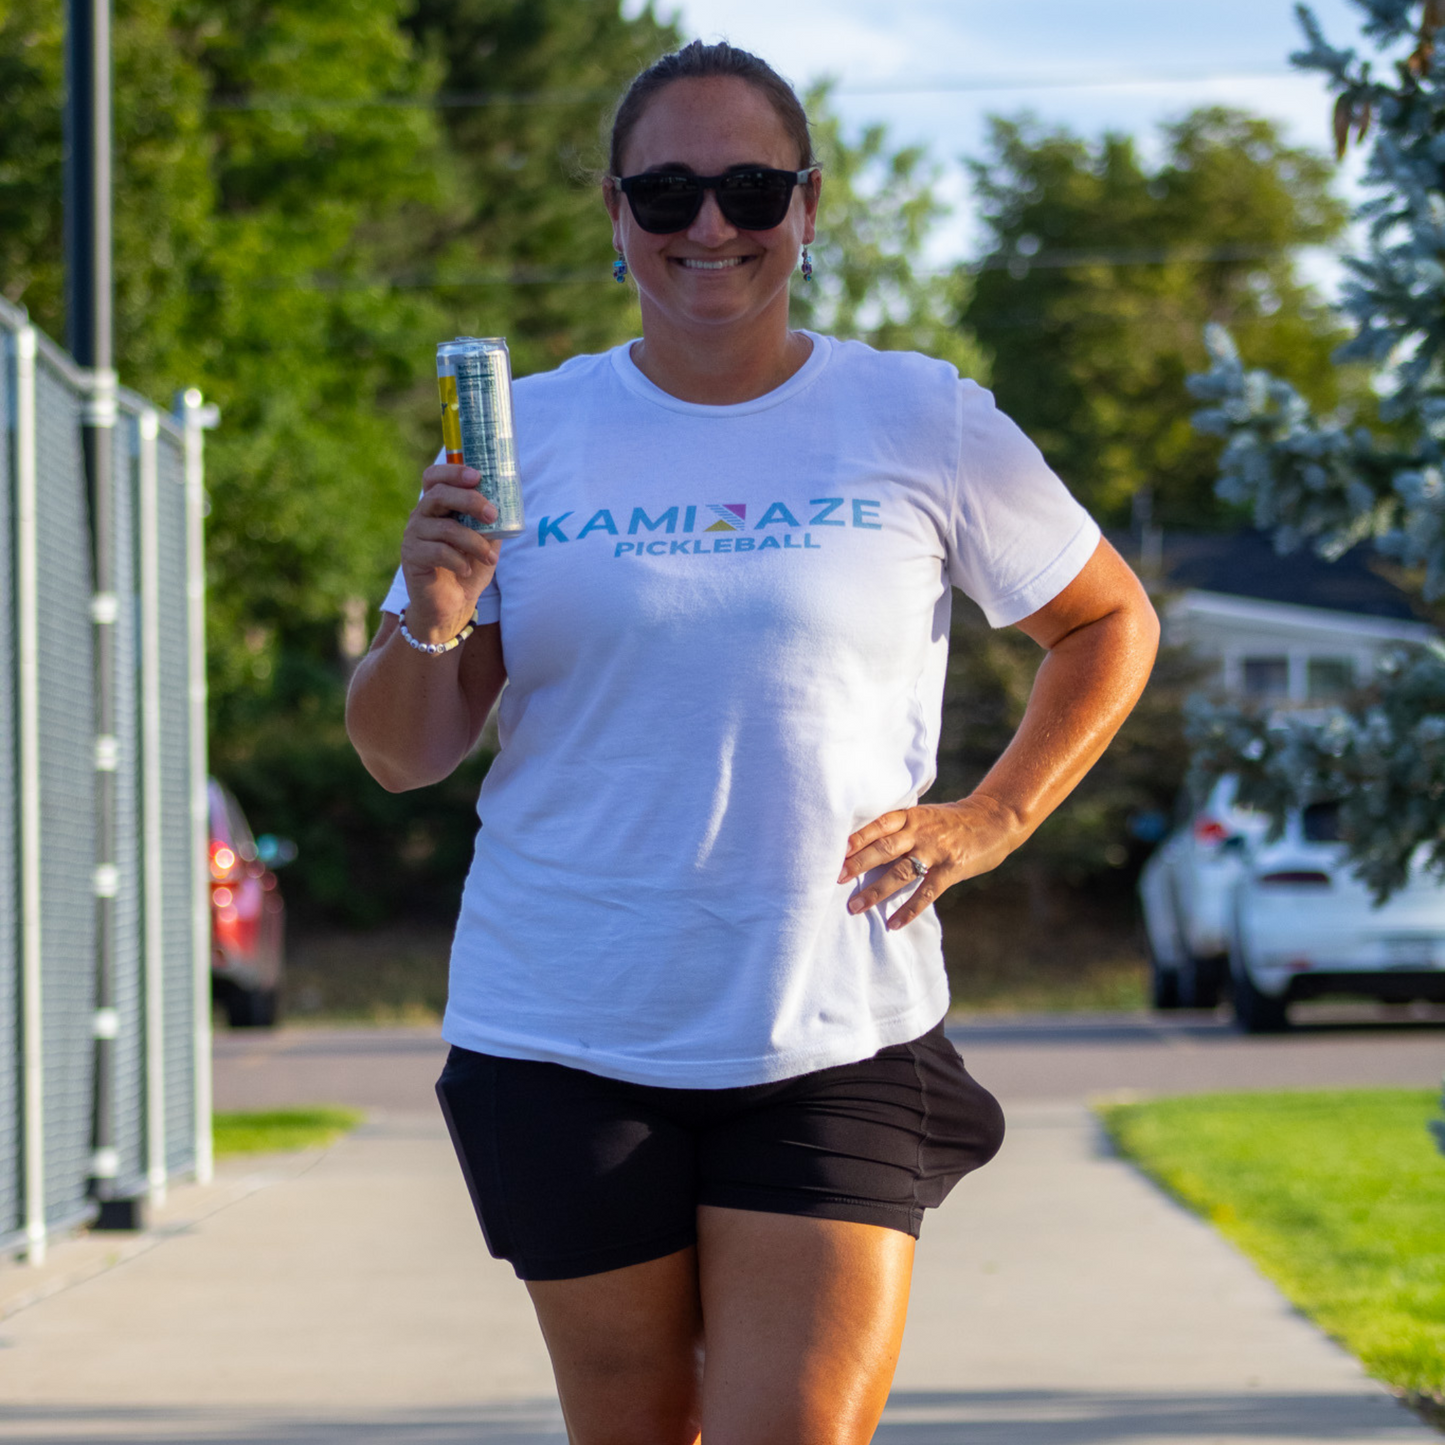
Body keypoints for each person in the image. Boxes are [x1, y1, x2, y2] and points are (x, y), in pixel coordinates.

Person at [346, 39, 1159, 1445]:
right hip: (566, 1024)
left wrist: (994, 818)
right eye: (665, 194)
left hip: (835, 1017)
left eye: (747, 187)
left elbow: (1109, 623)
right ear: (614, 217)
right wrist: (430, 614)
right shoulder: (526, 436)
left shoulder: (920, 416)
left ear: (807, 205)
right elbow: (401, 754)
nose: (708, 227)